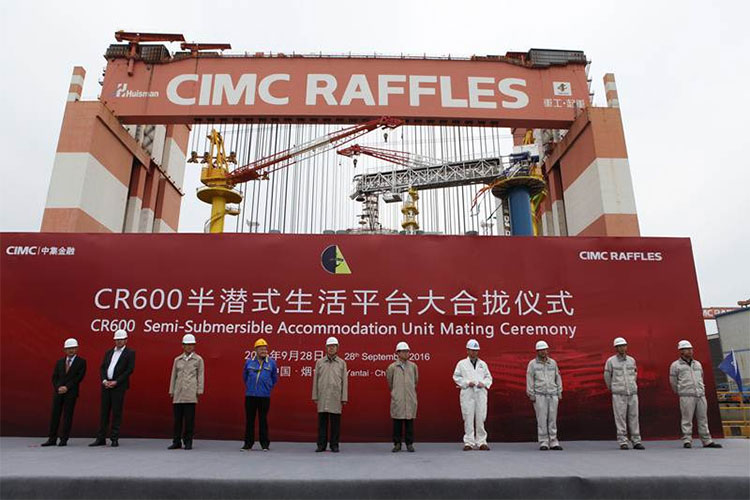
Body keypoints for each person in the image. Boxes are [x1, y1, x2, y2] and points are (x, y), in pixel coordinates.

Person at [669, 340, 722, 449]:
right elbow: (673, 382)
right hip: (686, 395)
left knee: (703, 418)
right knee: (687, 419)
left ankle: (706, 440)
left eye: (691, 349)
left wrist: (700, 389)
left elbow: (701, 377)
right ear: (681, 351)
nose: (690, 351)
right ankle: (687, 440)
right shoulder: (675, 365)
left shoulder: (697, 364)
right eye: (687, 349)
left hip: (700, 395)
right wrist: (681, 391)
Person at [89, 329, 135, 447]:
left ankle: (114, 438)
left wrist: (116, 382)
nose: (119, 341)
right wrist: (104, 380)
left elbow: (129, 370)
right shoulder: (109, 352)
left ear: (126, 340)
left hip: (118, 387)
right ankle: (101, 438)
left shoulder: (130, 353)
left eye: (121, 339)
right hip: (106, 386)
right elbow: (103, 367)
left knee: (116, 412)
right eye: (117, 340)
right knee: (104, 412)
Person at [41, 338, 87, 447]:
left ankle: (64, 439)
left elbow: (78, 377)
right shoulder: (60, 362)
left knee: (67, 416)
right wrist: (58, 387)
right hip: (58, 392)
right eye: (68, 348)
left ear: (77, 349)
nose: (71, 350)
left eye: (73, 348)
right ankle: (52, 439)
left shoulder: (81, 362)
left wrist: (67, 387)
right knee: (55, 415)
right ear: (64, 350)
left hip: (71, 393)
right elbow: (55, 377)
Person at [452, 339, 493, 451]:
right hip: (468, 393)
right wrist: (466, 383)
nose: (474, 352)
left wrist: (484, 383)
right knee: (468, 417)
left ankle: (481, 442)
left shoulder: (483, 364)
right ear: (467, 350)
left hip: (480, 393)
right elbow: (456, 377)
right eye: (472, 350)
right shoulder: (461, 364)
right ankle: (469, 442)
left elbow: (489, 378)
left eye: (476, 350)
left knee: (481, 417)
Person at [604, 337, 644, 450]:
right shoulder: (611, 361)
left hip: (632, 393)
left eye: (624, 346)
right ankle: (623, 441)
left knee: (634, 416)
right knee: (620, 417)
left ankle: (636, 441)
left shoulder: (631, 360)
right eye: (620, 346)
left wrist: (632, 386)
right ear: (616, 348)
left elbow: (634, 374)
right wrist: (613, 388)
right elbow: (607, 377)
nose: (622, 348)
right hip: (618, 393)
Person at [168, 334, 205, 450]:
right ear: (182, 346)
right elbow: (173, 376)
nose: (189, 347)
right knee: (177, 420)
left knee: (189, 420)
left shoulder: (198, 360)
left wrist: (199, 389)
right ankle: (176, 441)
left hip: (190, 393)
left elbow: (200, 375)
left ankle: (188, 441)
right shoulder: (177, 360)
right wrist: (171, 390)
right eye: (187, 344)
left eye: (191, 344)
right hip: (178, 393)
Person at [312, 337, 348, 453]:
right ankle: (321, 445)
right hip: (322, 396)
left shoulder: (342, 363)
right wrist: (315, 396)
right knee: (322, 423)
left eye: (333, 346)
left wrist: (344, 397)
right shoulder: (320, 362)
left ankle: (334, 445)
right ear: (326, 348)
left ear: (337, 348)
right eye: (329, 346)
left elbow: (345, 381)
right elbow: (315, 380)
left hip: (335, 396)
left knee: (335, 423)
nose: (331, 348)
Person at [242, 338, 278, 451]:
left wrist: (267, 387)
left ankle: (265, 444)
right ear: (256, 350)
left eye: (265, 349)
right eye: (261, 349)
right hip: (250, 396)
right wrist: (250, 386)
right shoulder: (249, 362)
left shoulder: (271, 363)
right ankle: (248, 444)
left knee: (263, 420)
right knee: (250, 420)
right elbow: (245, 377)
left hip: (264, 396)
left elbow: (274, 378)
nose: (263, 351)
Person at [526, 340, 563, 451]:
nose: (544, 352)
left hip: (553, 394)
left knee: (552, 419)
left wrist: (559, 391)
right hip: (539, 395)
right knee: (542, 419)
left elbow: (558, 377)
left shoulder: (553, 363)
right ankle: (544, 442)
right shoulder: (532, 364)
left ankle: (553, 441)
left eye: (545, 350)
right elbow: (529, 379)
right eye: (541, 350)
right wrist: (531, 393)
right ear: (537, 351)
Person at [386, 341, 418, 452]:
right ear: (398, 353)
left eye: (407, 351)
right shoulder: (392, 367)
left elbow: (415, 381)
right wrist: (396, 393)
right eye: (403, 351)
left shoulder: (413, 366)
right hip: (398, 398)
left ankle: (409, 443)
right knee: (397, 423)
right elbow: (390, 383)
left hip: (410, 398)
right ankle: (397, 444)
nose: (406, 353)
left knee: (409, 423)